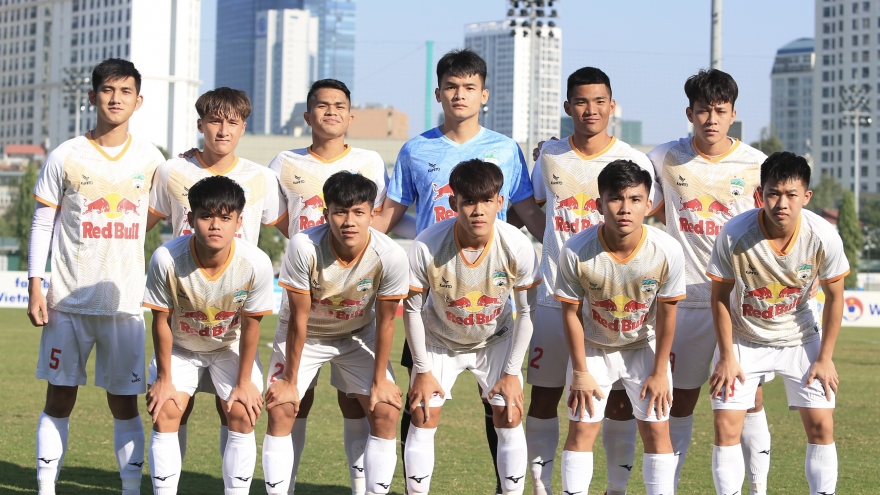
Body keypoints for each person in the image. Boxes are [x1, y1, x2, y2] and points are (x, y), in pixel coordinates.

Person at [371, 48, 543, 495]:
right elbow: (389, 215)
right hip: (432, 293)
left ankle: (507, 487)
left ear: (484, 94)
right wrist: (332, 232)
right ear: (438, 93)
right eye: (451, 86)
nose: (459, 94)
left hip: (490, 294)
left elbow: (527, 213)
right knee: (421, 402)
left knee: (502, 406)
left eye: (469, 87)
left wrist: (575, 241)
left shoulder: (506, 149)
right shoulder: (415, 149)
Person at [27, 58, 166, 495]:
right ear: (92, 97)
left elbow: (159, 215)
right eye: (107, 90)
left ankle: (130, 488)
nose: (115, 98)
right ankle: (46, 487)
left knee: (124, 403)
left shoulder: (152, 159)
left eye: (125, 91)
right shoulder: (65, 154)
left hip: (124, 304)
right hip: (67, 302)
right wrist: (35, 284)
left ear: (138, 101)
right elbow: (42, 222)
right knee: (59, 397)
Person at [524, 67, 662, 495]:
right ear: (568, 107)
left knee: (618, 401)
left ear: (612, 105)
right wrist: (553, 248)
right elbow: (534, 208)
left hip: (613, 304)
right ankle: (543, 488)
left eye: (600, 101)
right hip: (555, 297)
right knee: (545, 396)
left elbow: (648, 216)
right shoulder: (549, 155)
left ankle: (616, 489)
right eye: (582, 101)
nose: (591, 109)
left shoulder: (635, 160)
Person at [268, 78, 408, 495]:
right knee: (286, 403)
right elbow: (277, 215)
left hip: (356, 325)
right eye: (322, 105)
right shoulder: (284, 166)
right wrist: (317, 248)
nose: (330, 112)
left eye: (339, 105)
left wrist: (382, 378)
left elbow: (387, 321)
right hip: (307, 318)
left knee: (380, 405)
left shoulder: (370, 165)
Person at [640, 69, 774, 494]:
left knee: (748, 400)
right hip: (685, 300)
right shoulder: (665, 157)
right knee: (678, 400)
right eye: (702, 111)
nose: (711, 119)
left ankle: (758, 488)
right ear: (689, 113)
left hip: (739, 304)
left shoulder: (756, 164)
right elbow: (623, 181)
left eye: (719, 110)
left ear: (733, 114)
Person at [148, 86, 287, 461]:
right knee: (173, 409)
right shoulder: (172, 170)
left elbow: (293, 229)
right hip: (184, 309)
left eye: (233, 122)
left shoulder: (261, 177)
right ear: (200, 125)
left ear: (243, 127)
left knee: (238, 410)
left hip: (233, 319)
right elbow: (140, 224)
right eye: (214, 121)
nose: (223, 130)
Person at [707, 151, 846, 495]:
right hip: (744, 337)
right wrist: (727, 357)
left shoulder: (823, 235)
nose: (781, 203)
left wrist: (825, 358)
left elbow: (835, 297)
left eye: (791, 195)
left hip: (799, 337)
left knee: (821, 426)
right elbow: (719, 297)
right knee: (726, 427)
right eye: (773, 193)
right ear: (760, 194)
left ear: (806, 196)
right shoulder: (733, 234)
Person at [403, 159, 539, 495]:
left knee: (510, 413)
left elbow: (526, 312)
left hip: (495, 341)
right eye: (469, 202)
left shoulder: (517, 246)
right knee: (422, 415)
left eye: (487, 201)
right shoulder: (426, 245)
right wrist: (422, 370)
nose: (478, 211)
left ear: (499, 202)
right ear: (454, 202)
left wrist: (512, 372)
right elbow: (412, 309)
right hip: (440, 341)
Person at [144, 175, 273, 495]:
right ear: (190, 219)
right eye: (206, 216)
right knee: (166, 408)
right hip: (181, 348)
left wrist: (244, 382)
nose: (215, 225)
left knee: (242, 411)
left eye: (225, 218)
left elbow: (251, 328)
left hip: (229, 348)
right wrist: (164, 378)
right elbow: (161, 321)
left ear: (239, 222)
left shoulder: (255, 263)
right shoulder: (166, 258)